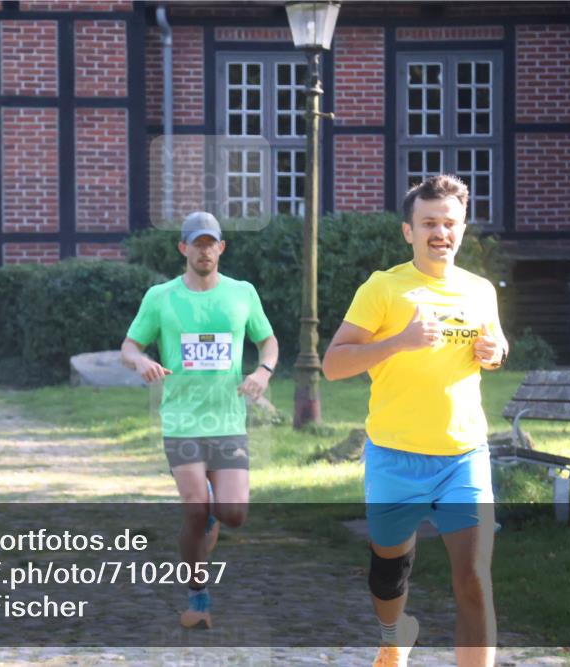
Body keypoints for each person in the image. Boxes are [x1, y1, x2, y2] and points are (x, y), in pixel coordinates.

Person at [322, 175, 507, 667]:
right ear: (409, 231)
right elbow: (333, 363)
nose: (440, 232)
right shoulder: (383, 288)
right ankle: (394, 633)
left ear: (463, 230)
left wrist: (495, 352)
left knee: (473, 578)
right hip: (394, 457)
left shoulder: (480, 290)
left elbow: (494, 346)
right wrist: (396, 342)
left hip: (463, 456)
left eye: (449, 223)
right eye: (429, 223)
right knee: (388, 571)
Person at [120, 211, 278, 630]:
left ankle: (213, 511)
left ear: (221, 248)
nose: (204, 250)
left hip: (228, 419)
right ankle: (197, 595)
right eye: (197, 243)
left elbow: (269, 341)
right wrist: (142, 363)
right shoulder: (161, 297)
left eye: (211, 243)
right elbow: (130, 346)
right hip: (182, 419)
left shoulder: (242, 293)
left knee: (234, 514)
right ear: (183, 248)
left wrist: (263, 372)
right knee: (194, 508)